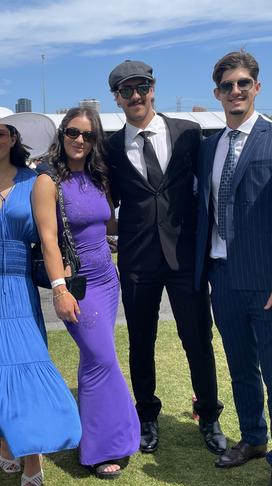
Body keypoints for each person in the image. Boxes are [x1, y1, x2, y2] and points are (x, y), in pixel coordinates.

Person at [0, 106, 82, 486]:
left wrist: (60, 289)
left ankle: (33, 457)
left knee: (25, 368)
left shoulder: (38, 181)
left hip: (18, 288)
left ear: (13, 138)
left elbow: (50, 241)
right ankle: (8, 436)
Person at [194, 50, 272, 486]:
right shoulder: (209, 149)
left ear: (256, 87)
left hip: (269, 282)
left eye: (243, 83)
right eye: (227, 86)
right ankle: (253, 438)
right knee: (241, 367)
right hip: (222, 279)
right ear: (217, 93)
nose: (235, 91)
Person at [105, 60, 225, 455]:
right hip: (138, 260)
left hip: (185, 257)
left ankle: (209, 415)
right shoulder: (109, 147)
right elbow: (107, 201)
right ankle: (147, 416)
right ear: (117, 98)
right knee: (141, 341)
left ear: (153, 89)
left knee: (198, 339)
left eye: (142, 87)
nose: (136, 96)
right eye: (127, 91)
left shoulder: (188, 133)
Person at [32, 107, 140, 480]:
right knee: (101, 359)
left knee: (96, 360)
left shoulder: (97, 176)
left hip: (107, 278)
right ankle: (105, 446)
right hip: (76, 282)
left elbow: (105, 222)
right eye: (73, 132)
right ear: (62, 134)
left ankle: (106, 434)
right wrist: (60, 290)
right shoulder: (48, 180)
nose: (80, 140)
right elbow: (48, 241)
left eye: (89, 135)